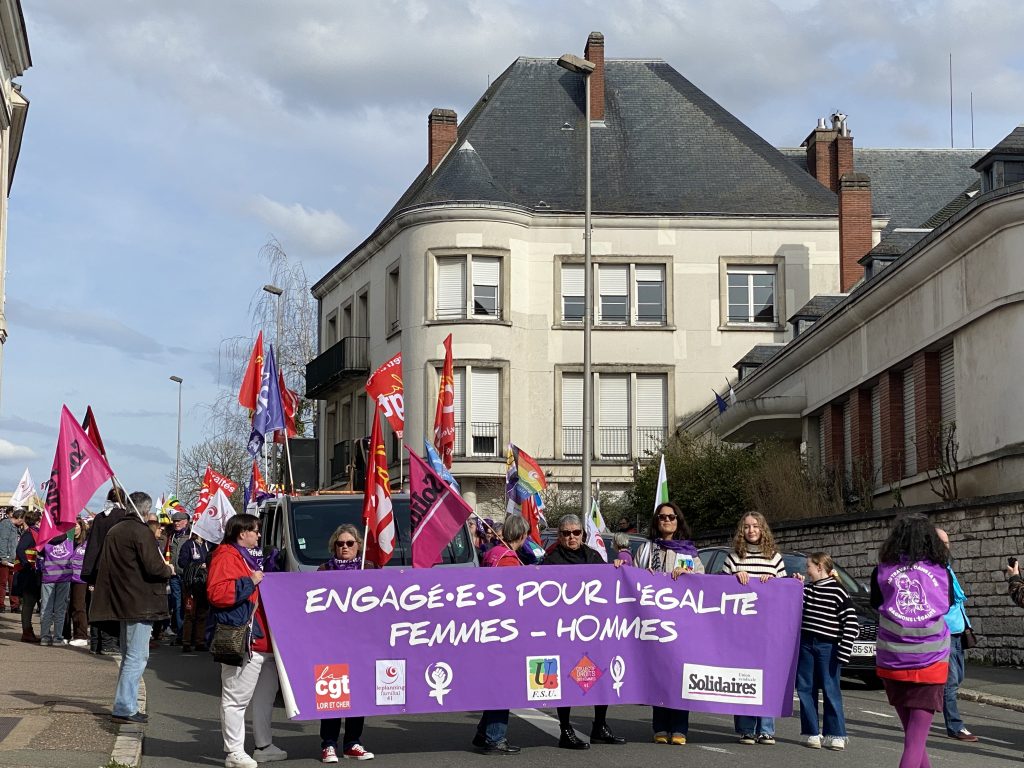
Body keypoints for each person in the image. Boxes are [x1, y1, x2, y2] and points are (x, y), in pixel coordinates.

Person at [871, 513, 953, 768]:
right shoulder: (940, 572)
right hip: (930, 661)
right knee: (915, 743)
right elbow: (947, 605)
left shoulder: (882, 571)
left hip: (892, 660)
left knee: (914, 738)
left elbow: (876, 603)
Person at [207, 513, 286, 768]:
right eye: (256, 530)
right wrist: (249, 582)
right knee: (235, 699)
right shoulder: (226, 556)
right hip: (244, 639)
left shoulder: (244, 556)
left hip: (262, 640)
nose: (259, 535)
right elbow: (217, 593)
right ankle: (234, 752)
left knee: (264, 697)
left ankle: (263, 745)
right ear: (243, 533)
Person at [90, 492, 175, 725]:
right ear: (145, 511)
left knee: (130, 656)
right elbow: (153, 568)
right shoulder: (140, 532)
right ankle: (124, 706)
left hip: (123, 599)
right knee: (136, 657)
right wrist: (168, 569)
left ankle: (125, 703)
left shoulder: (115, 530)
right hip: (141, 601)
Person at [543, 514, 626, 750]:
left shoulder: (592, 556)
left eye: (576, 532)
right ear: (559, 536)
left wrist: (616, 568)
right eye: (566, 533)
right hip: (564, 632)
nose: (571, 537)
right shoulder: (551, 561)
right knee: (566, 680)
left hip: (592, 630)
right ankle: (565, 729)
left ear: (583, 534)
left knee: (599, 675)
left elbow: (610, 583)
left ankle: (599, 725)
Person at [634, 502, 703, 745]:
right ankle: (660, 727)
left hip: (682, 625)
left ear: (678, 521)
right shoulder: (645, 549)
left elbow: (702, 582)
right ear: (656, 521)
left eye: (671, 517)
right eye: (662, 517)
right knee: (659, 675)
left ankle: (680, 728)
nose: (667, 521)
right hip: (653, 622)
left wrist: (689, 576)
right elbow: (632, 579)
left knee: (680, 674)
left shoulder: (689, 552)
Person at [721, 510, 786, 745]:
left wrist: (775, 584)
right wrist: (734, 578)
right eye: (747, 526)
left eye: (756, 526)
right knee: (744, 678)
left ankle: (766, 728)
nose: (751, 530)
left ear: (763, 529)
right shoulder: (733, 558)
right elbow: (719, 590)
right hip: (741, 631)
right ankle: (746, 728)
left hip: (768, 631)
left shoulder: (775, 558)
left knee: (767, 678)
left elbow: (785, 593)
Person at [317, 524, 376, 762]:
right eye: (340, 543)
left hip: (362, 643)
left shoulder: (369, 569)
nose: (345, 547)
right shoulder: (324, 570)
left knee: (358, 694)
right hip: (332, 642)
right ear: (334, 546)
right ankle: (328, 744)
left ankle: (353, 742)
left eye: (350, 543)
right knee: (333, 693)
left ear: (358, 546)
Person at [792, 552, 858, 750]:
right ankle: (812, 732)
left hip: (828, 646)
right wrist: (796, 584)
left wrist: (844, 651)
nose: (807, 570)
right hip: (806, 644)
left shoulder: (838, 591)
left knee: (830, 690)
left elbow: (852, 623)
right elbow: (791, 604)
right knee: (805, 689)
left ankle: (836, 733)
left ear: (820, 567)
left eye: (809, 567)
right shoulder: (808, 589)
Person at [473, 515, 526, 755]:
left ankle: (484, 732)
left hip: (490, 627)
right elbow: (511, 598)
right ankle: (495, 737)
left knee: (495, 682)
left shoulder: (493, 553)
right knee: (503, 684)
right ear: (523, 536)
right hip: (504, 629)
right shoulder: (508, 560)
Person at [935, 528, 977, 742]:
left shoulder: (947, 567)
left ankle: (933, 701)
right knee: (950, 681)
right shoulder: (934, 570)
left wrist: (967, 626)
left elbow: (958, 602)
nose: (945, 546)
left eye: (947, 542)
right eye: (941, 542)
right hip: (945, 632)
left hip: (959, 630)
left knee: (957, 678)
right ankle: (955, 726)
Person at [39, 531, 75, 646]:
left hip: (48, 577)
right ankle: (58, 638)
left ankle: (44, 637)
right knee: (60, 609)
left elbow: (39, 560)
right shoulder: (70, 542)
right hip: (64, 578)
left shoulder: (46, 542)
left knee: (46, 608)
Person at [178, 531, 212, 653]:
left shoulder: (208, 545)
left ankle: (200, 642)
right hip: (191, 585)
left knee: (202, 614)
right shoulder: (188, 545)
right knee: (189, 614)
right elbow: (181, 563)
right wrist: (198, 565)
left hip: (203, 585)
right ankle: (186, 642)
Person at [14, 509, 43, 643]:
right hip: (28, 573)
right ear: (37, 521)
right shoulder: (30, 534)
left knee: (30, 602)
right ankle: (27, 631)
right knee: (28, 603)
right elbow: (20, 549)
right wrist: (27, 564)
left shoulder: (33, 532)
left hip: (31, 572)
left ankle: (28, 630)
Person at [167, 511, 192, 645]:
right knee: (177, 605)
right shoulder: (171, 536)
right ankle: (181, 634)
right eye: (174, 521)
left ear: (186, 521)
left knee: (187, 605)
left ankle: (188, 634)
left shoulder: (191, 535)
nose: (176, 523)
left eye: (179, 521)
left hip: (187, 576)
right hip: (175, 576)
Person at [67, 517, 90, 647]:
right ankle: (67, 634)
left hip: (80, 579)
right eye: (72, 526)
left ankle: (81, 635)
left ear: (81, 527)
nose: (74, 528)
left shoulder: (86, 543)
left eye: (76, 526)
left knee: (79, 607)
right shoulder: (68, 541)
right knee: (67, 608)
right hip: (66, 578)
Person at [0, 508, 25, 613]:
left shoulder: (17, 528)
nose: (23, 522)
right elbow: (3, 540)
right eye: (23, 519)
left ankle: (15, 605)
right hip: (6, 559)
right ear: (19, 518)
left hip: (14, 559)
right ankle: (1, 604)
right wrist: (3, 557)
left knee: (13, 583)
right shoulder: (5, 524)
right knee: (2, 582)